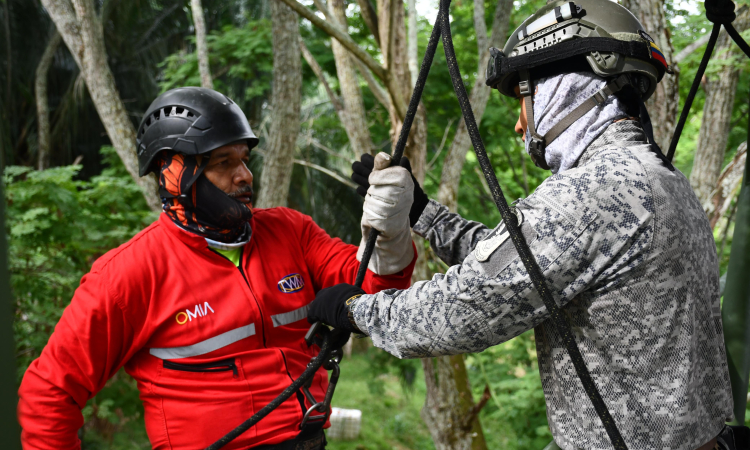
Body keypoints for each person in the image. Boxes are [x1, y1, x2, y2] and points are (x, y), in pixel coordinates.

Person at [307, 1, 734, 449]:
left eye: (524, 100)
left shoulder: (594, 191)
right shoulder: (658, 178)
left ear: (563, 88)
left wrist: (357, 310)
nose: (519, 123)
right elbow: (521, 262)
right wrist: (423, 213)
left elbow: (465, 308)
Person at [17, 87, 417, 450]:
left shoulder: (289, 231)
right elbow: (49, 392)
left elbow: (373, 290)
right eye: (223, 162)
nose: (245, 176)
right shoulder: (129, 274)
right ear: (174, 173)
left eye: (244, 159)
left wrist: (391, 234)